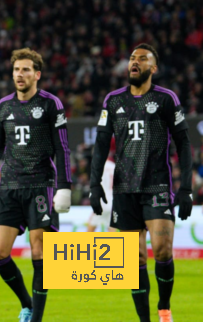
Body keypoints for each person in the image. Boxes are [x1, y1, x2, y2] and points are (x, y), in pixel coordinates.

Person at [90, 43, 193, 322]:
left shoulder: (166, 99)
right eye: (132, 58)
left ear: (153, 68)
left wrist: (186, 188)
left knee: (162, 250)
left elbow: (184, 144)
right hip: (124, 189)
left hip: (157, 186)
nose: (134, 62)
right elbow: (101, 144)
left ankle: (164, 307)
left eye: (142, 59)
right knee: (133, 261)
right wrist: (94, 183)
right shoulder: (113, 100)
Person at [0, 48, 72, 322]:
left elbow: (63, 148)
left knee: (40, 250)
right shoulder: (4, 106)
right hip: (9, 186)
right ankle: (26, 303)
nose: (20, 74)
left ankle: (36, 318)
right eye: (17, 69)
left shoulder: (51, 104)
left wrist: (64, 186)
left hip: (41, 184)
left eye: (26, 69)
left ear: (37, 74)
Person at [87, 138, 117, 233]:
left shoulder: (98, 168)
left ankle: (85, 247)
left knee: (90, 229)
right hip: (113, 201)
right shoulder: (114, 166)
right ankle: (114, 248)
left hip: (102, 201)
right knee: (112, 229)